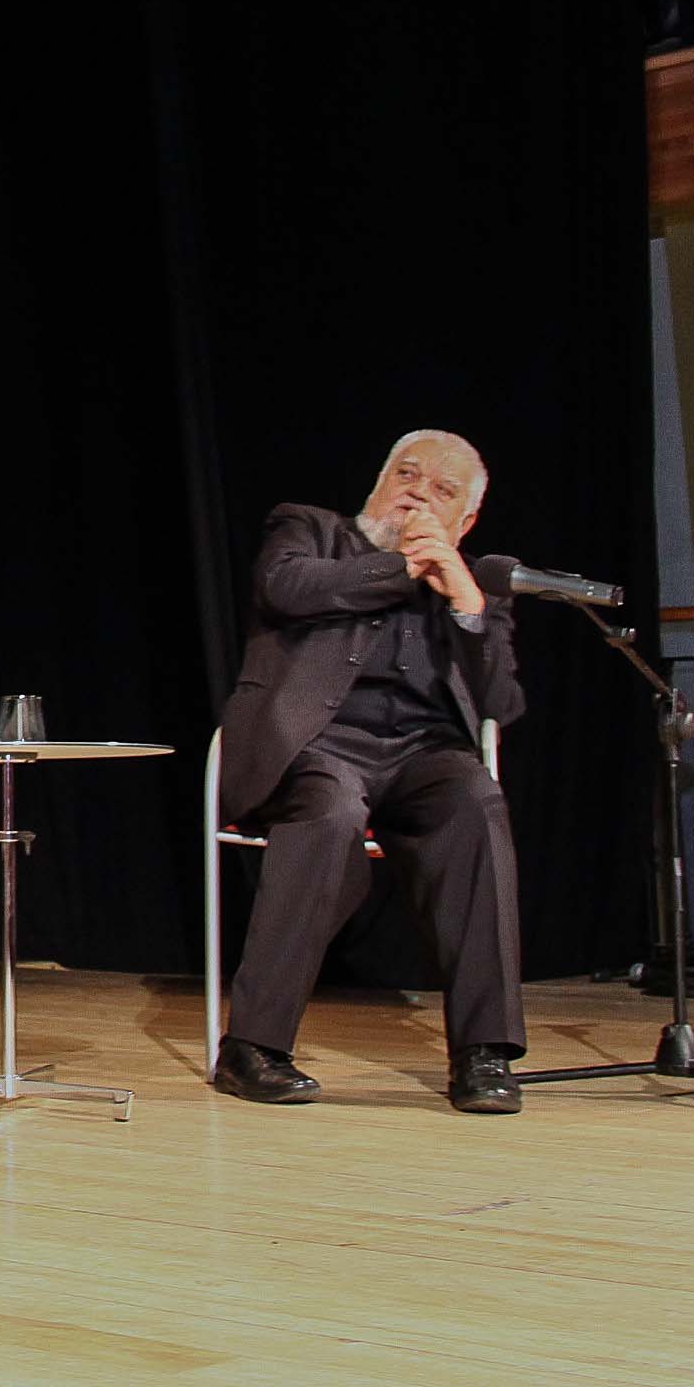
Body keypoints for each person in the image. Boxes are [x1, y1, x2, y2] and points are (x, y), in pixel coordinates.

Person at [209, 429, 532, 1114]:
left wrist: (467, 605)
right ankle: (252, 1047)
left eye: (442, 490)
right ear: (380, 482)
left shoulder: (475, 582)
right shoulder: (310, 531)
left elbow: (502, 704)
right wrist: (405, 567)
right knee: (330, 812)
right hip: (315, 747)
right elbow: (286, 588)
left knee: (477, 802)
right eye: (406, 475)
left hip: (423, 755)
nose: (418, 494)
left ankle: (484, 1052)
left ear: (466, 520)